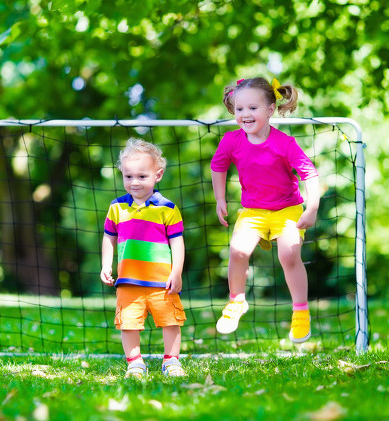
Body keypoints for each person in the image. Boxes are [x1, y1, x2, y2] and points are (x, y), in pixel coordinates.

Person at [211, 77, 320, 343]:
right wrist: (220, 198)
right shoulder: (231, 141)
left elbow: (310, 174)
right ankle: (237, 301)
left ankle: (300, 311)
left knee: (290, 253)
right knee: (237, 250)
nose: (245, 115)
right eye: (239, 109)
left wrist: (312, 206)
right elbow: (218, 166)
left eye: (252, 108)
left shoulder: (285, 143)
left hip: (288, 210)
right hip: (253, 211)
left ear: (270, 109)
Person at [100, 138, 187, 378]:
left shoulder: (168, 208)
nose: (134, 182)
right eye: (128, 176)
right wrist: (106, 264)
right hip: (128, 281)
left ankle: (171, 361)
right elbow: (108, 237)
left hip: (162, 282)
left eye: (142, 176)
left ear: (157, 175)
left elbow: (177, 242)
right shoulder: (116, 207)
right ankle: (135, 362)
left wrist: (176, 272)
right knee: (128, 323)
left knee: (171, 321)